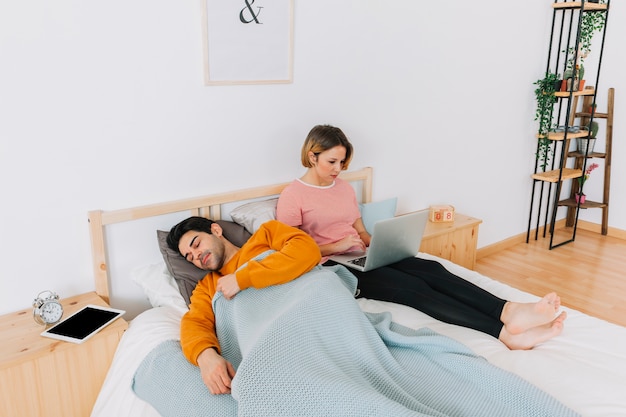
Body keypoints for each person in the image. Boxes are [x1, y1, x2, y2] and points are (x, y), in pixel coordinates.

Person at [276, 124, 567, 350]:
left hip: (361, 254)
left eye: (342, 163)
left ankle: (509, 311)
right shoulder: (293, 195)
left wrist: (379, 242)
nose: (338, 170)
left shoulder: (343, 188)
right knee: (411, 287)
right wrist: (334, 246)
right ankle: (504, 334)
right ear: (312, 156)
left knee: (432, 270)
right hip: (333, 266)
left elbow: (360, 230)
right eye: (332, 162)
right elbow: (291, 250)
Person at [166, 216, 321, 394]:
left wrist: (242, 279)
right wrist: (206, 357)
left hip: (307, 314)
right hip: (270, 341)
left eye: (197, 244)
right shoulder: (207, 287)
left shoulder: (265, 236)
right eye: (190, 257)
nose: (197, 256)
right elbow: (195, 322)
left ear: (216, 230)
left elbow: (308, 250)